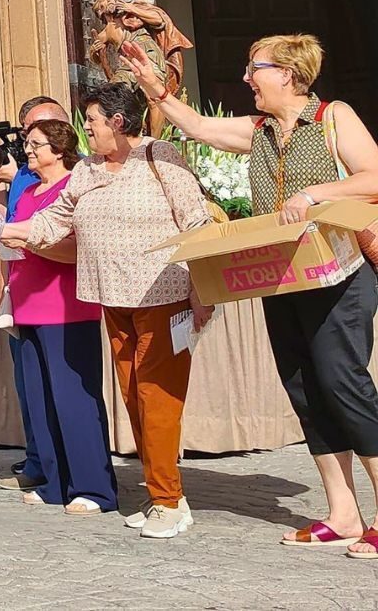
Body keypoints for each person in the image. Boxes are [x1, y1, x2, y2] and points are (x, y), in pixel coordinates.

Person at [123, 34, 378, 556]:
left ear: (287, 73)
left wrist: (315, 194)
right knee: (305, 389)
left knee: (342, 382)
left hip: (340, 276)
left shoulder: (333, 117)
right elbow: (197, 126)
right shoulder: (260, 130)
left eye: (253, 68)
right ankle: (344, 514)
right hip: (282, 277)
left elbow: (375, 175)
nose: (245, 78)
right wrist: (154, 87)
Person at [0, 82, 212, 538]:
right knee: (133, 397)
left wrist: (202, 292)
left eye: (91, 122)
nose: (85, 130)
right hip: (113, 298)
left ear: (118, 123)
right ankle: (163, 491)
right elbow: (56, 218)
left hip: (162, 296)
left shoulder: (160, 157)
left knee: (157, 398)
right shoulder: (87, 170)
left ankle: (169, 500)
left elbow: (196, 222)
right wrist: (9, 230)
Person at [8, 119, 117, 515]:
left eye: (36, 144)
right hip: (27, 301)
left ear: (59, 148)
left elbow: (76, 247)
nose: (29, 150)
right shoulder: (27, 192)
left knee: (74, 399)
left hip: (66, 304)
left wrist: (25, 239)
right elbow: (18, 241)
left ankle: (94, 487)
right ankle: (55, 483)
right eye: (28, 143)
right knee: (41, 400)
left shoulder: (73, 187)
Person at [0, 96, 72, 492]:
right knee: (30, 385)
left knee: (63, 388)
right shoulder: (22, 176)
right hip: (20, 287)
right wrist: (2, 277)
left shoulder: (77, 174)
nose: (28, 144)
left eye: (37, 136)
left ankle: (69, 472)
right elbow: (7, 223)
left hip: (58, 293)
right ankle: (39, 462)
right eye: (26, 135)